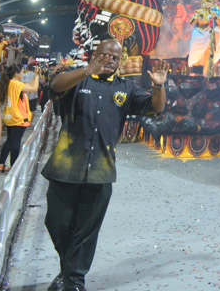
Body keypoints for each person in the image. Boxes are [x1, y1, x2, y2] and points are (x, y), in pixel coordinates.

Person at [41, 40, 168, 291]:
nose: (110, 60)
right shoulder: (78, 81)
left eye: (114, 57)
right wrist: (85, 71)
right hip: (64, 169)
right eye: (105, 55)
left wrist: (159, 86)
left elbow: (155, 108)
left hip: (101, 171)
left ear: (120, 61)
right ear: (94, 55)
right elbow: (54, 87)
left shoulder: (126, 89)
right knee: (57, 223)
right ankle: (68, 272)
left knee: (87, 231)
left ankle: (74, 279)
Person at [0, 65, 37, 173]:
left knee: (9, 140)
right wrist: (36, 77)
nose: (23, 74)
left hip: (9, 116)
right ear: (16, 74)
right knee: (15, 142)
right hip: (18, 117)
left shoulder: (8, 83)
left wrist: (35, 76)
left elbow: (29, 86)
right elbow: (34, 88)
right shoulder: (16, 84)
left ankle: (1, 165)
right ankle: (13, 167)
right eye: (22, 72)